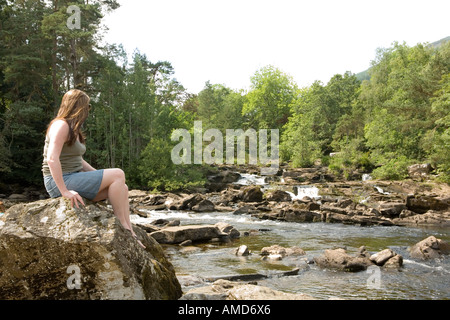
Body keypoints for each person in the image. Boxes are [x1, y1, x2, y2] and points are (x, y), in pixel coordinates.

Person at [42, 89, 145, 248]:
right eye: (87, 106)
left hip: (74, 178)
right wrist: (64, 191)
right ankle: (123, 227)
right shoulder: (60, 125)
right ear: (78, 106)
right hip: (59, 181)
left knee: (121, 187)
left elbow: (79, 161)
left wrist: (100, 176)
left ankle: (130, 231)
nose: (88, 110)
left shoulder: (74, 129)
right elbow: (51, 158)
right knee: (118, 174)